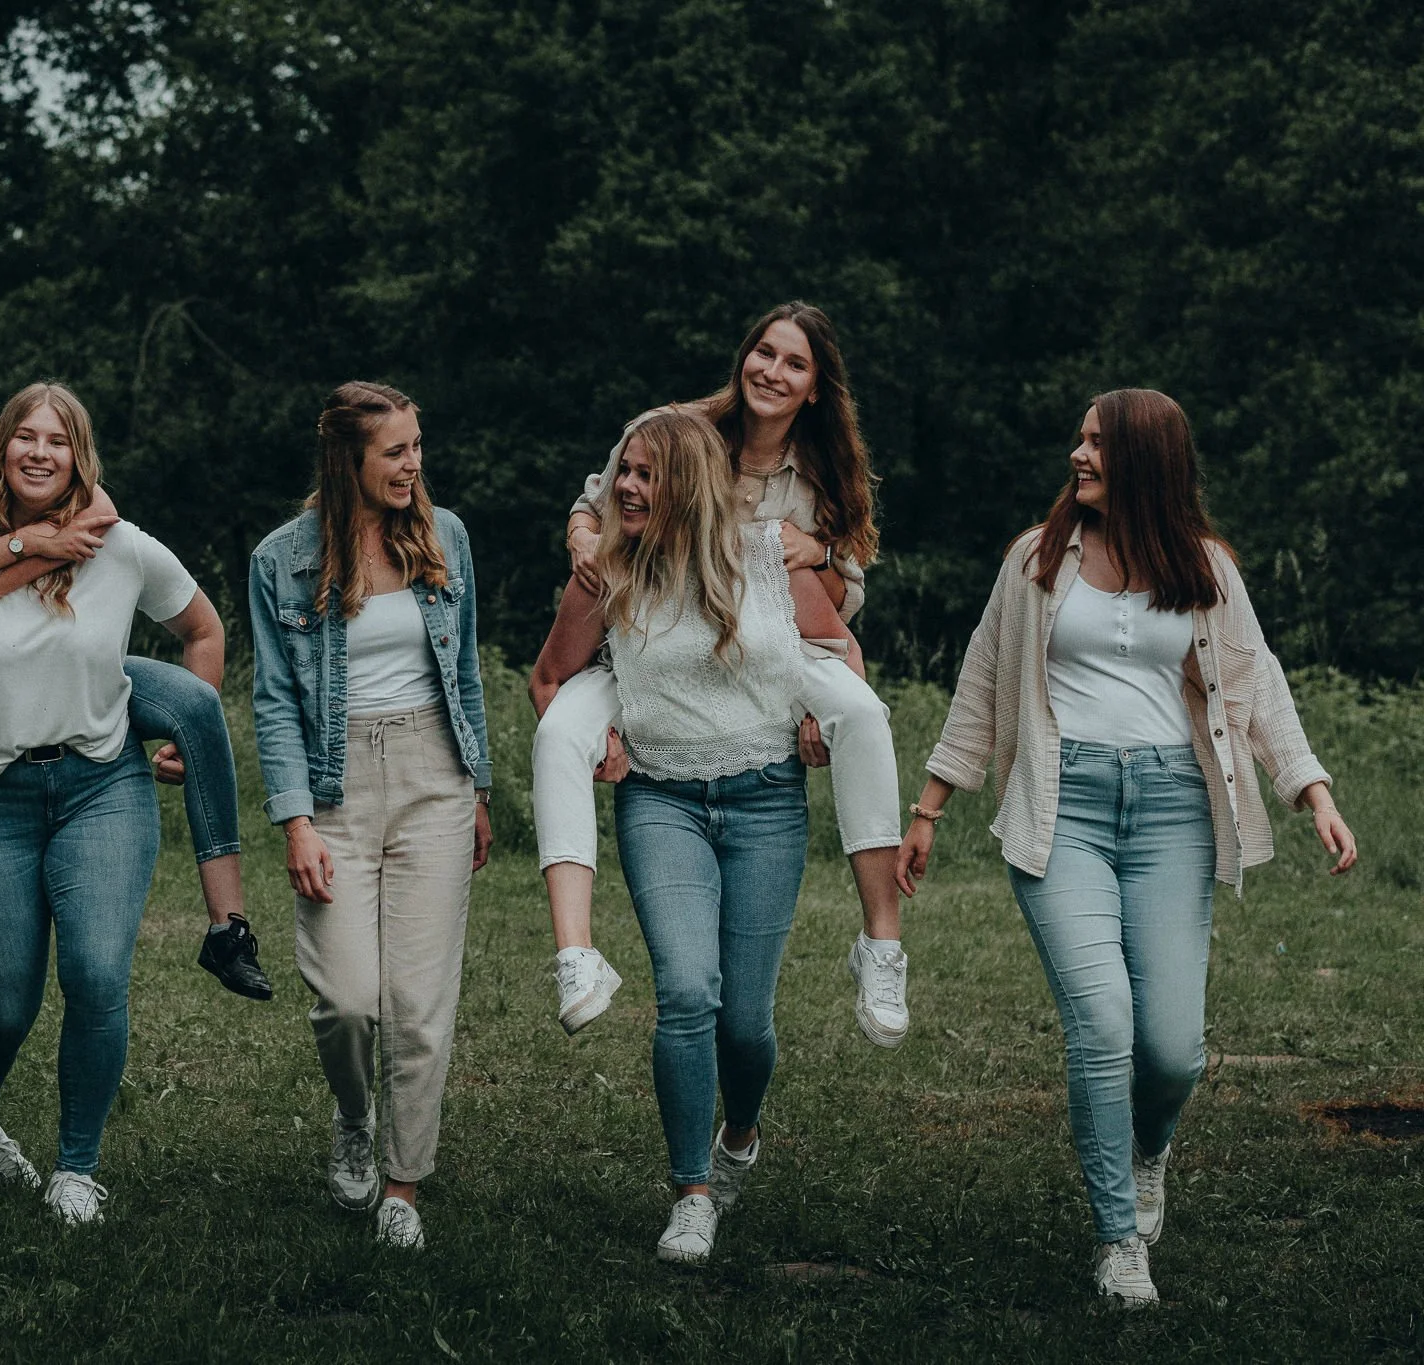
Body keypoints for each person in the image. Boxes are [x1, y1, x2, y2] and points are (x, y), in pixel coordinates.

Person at [896, 389, 1359, 1307]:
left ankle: (1150, 1146)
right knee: (1103, 1024)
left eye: (1098, 443)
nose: (1078, 455)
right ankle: (1118, 1240)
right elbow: (983, 679)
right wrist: (930, 807)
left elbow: (1259, 684)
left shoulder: (1205, 567)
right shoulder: (1036, 560)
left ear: (1147, 460)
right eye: (1079, 439)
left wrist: (1312, 790)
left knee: (1174, 1049)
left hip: (1173, 809)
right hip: (1061, 806)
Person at [0, 381, 227, 1225]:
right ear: (3, 447)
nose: (39, 452)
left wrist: (182, 733)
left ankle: (77, 1167)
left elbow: (203, 630)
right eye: (26, 436)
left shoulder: (119, 544)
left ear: (78, 456)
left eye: (57, 441)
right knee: (3, 1006)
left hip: (103, 787)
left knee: (96, 974)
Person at [0, 363, 269, 1018]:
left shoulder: (82, 511)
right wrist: (22, 553)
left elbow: (111, 522)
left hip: (83, 690)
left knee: (196, 703)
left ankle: (228, 926)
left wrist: (44, 547)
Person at [539, 302, 907, 1044]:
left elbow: (840, 601)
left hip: (770, 638)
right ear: (744, 356)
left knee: (865, 713)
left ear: (816, 387)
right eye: (764, 352)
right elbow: (597, 505)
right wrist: (585, 540)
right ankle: (575, 954)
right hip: (650, 636)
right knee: (560, 730)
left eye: (795, 363)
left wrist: (815, 554)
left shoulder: (825, 474)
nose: (772, 371)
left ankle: (882, 946)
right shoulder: (678, 432)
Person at [248, 381, 493, 1250]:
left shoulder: (444, 535)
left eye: (417, 446)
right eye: (396, 451)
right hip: (333, 783)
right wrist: (295, 820)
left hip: (434, 775)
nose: (413, 464)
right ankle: (355, 1116)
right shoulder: (281, 560)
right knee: (347, 1000)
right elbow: (274, 700)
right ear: (347, 458)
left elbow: (464, 670)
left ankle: (402, 1184)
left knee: (418, 1005)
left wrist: (479, 788)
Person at [582, 408, 820, 1265]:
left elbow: (840, 650)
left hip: (766, 800)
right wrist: (599, 733)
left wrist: (819, 719)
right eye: (623, 470)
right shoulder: (607, 569)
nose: (626, 486)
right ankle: (691, 1192)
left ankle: (740, 1132)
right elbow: (549, 678)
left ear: (685, 485)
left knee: (745, 1023)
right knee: (687, 990)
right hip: (660, 799)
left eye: (645, 474)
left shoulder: (765, 557)